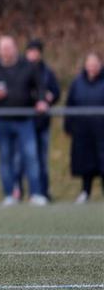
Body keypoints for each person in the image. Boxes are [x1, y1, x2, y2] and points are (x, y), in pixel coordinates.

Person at [0, 35, 49, 206]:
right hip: (1, 121)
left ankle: (36, 193)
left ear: (15, 48)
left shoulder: (28, 66)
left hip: (25, 120)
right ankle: (9, 194)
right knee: (5, 158)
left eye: (9, 47)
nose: (6, 51)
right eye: (3, 48)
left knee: (31, 156)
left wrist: (41, 100)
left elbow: (40, 86)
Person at [13, 39, 60, 201]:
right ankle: (17, 191)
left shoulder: (47, 72)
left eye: (36, 51)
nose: (33, 54)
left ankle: (41, 192)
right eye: (30, 51)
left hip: (41, 123)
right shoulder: (20, 69)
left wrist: (49, 98)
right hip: (25, 122)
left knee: (40, 160)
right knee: (19, 160)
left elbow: (55, 92)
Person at [64, 52, 104, 204]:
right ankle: (85, 192)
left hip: (101, 131)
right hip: (83, 131)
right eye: (90, 64)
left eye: (95, 64)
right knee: (86, 163)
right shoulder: (77, 83)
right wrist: (68, 125)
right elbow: (70, 104)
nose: (92, 67)